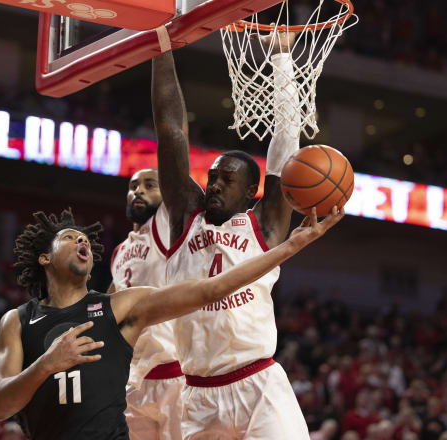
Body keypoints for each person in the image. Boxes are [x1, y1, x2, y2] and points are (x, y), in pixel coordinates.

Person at [0, 205, 342, 439]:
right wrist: (48, 363)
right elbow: (1, 405)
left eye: (85, 238)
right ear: (44, 257)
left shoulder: (120, 307)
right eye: (69, 237)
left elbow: (211, 289)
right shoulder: (17, 322)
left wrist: (290, 247)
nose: (82, 239)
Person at [152, 32, 314, 438]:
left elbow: (286, 144)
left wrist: (280, 61)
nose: (215, 185)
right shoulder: (187, 218)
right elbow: (171, 131)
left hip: (259, 384)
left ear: (250, 193)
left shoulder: (266, 226)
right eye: (212, 177)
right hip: (199, 395)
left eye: (227, 180)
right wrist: (160, 46)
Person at [108, 168, 183, 440]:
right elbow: (110, 310)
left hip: (173, 374)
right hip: (130, 379)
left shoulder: (164, 229)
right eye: (133, 186)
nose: (138, 190)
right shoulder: (119, 251)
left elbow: (176, 182)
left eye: (150, 185)